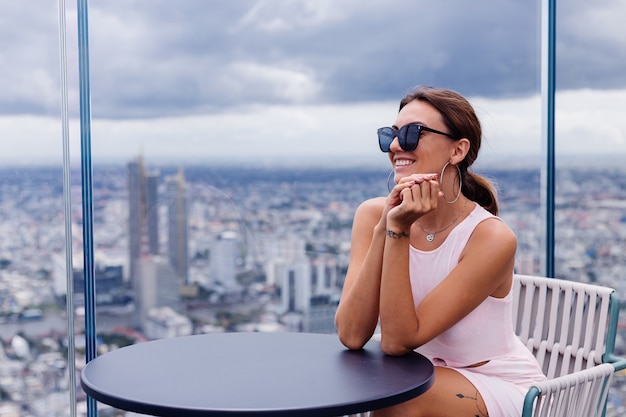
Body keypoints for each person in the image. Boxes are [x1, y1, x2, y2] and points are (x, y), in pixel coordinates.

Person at [334, 85, 546, 417]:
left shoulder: (490, 237)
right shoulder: (372, 215)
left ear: (457, 150)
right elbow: (351, 334)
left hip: (491, 382)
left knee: (398, 401)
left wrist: (399, 231)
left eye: (411, 134)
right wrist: (385, 227)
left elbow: (397, 341)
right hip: (416, 375)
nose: (393, 145)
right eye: (390, 134)